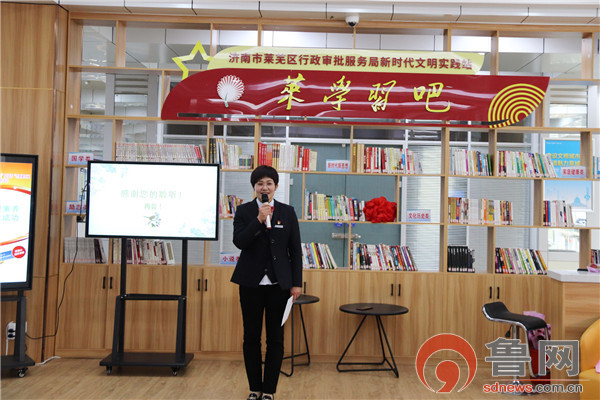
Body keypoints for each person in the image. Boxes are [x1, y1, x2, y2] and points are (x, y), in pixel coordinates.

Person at [231, 165, 303, 400]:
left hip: (279, 286)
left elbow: (295, 250)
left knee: (275, 339)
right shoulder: (243, 211)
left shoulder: (287, 212)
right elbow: (239, 242)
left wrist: (297, 283)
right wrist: (259, 219)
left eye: (269, 183)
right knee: (251, 338)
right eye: (260, 183)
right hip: (250, 284)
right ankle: (255, 388)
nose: (265, 187)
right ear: (254, 187)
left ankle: (269, 390)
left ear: (276, 187)